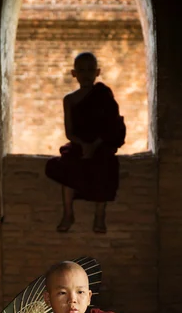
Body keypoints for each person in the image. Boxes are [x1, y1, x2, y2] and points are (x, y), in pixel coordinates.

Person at [45, 52, 126, 234]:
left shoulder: (103, 94)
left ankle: (99, 214)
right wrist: (83, 146)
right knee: (67, 166)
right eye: (81, 70)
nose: (86, 74)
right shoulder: (70, 100)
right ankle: (67, 213)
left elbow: (111, 124)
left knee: (105, 165)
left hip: (102, 143)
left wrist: (95, 145)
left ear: (97, 72)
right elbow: (69, 132)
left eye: (90, 70)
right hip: (79, 145)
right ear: (74, 73)